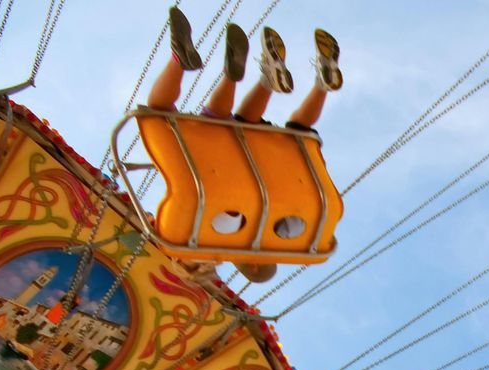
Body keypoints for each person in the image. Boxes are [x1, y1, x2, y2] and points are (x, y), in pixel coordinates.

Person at [146, 7, 343, 282]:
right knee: (163, 112)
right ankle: (185, 63)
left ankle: (309, 84)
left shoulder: (289, 233)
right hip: (232, 168)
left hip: (265, 164)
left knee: (278, 127)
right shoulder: (190, 230)